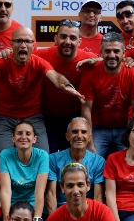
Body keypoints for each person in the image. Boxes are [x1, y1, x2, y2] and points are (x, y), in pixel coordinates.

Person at [0, 25, 82, 156]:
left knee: (43, 156)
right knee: (2, 156)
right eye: (19, 41)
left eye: (27, 41)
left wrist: (67, 86)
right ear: (11, 44)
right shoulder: (2, 61)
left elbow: (55, 76)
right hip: (4, 118)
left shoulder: (39, 62)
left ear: (33, 45)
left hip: (33, 117)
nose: (23, 45)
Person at [80, 31, 134, 158]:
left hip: (125, 128)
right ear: (101, 52)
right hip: (98, 128)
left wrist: (131, 138)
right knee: (90, 158)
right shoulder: (90, 73)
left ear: (124, 53)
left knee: (130, 158)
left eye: (116, 51)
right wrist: (90, 142)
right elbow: (86, 109)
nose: (112, 55)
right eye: (107, 51)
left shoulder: (133, 74)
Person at [36, 19, 97, 152]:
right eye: (63, 37)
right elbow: (19, 55)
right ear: (55, 39)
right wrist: (5, 52)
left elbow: (112, 61)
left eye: (73, 38)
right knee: (47, 156)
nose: (67, 42)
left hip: (74, 116)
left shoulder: (88, 58)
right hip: (47, 117)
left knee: (73, 157)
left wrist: (96, 59)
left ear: (79, 42)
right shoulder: (41, 55)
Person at [0, 119, 51, 221]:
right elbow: (6, 191)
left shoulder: (42, 156)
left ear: (34, 139)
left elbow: (39, 192)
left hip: (33, 207)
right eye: (19, 133)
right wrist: (6, 220)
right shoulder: (5, 155)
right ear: (13, 138)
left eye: (28, 134)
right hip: (13, 206)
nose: (23, 137)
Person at [47, 118, 107, 207]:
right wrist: (55, 216)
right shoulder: (53, 159)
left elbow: (98, 197)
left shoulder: (98, 161)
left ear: (90, 137)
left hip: (86, 209)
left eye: (83, 132)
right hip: (60, 209)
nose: (79, 136)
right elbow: (51, 194)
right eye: (75, 132)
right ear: (67, 136)